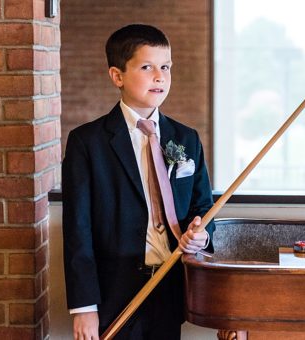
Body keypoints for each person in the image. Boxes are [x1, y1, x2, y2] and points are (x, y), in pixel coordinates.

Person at [63, 24, 214, 340]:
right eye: (147, 67)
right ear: (117, 76)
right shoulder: (87, 142)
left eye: (166, 67)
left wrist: (200, 235)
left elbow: (203, 208)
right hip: (113, 293)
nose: (160, 76)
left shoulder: (186, 138)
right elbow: (78, 230)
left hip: (170, 289)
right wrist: (84, 307)